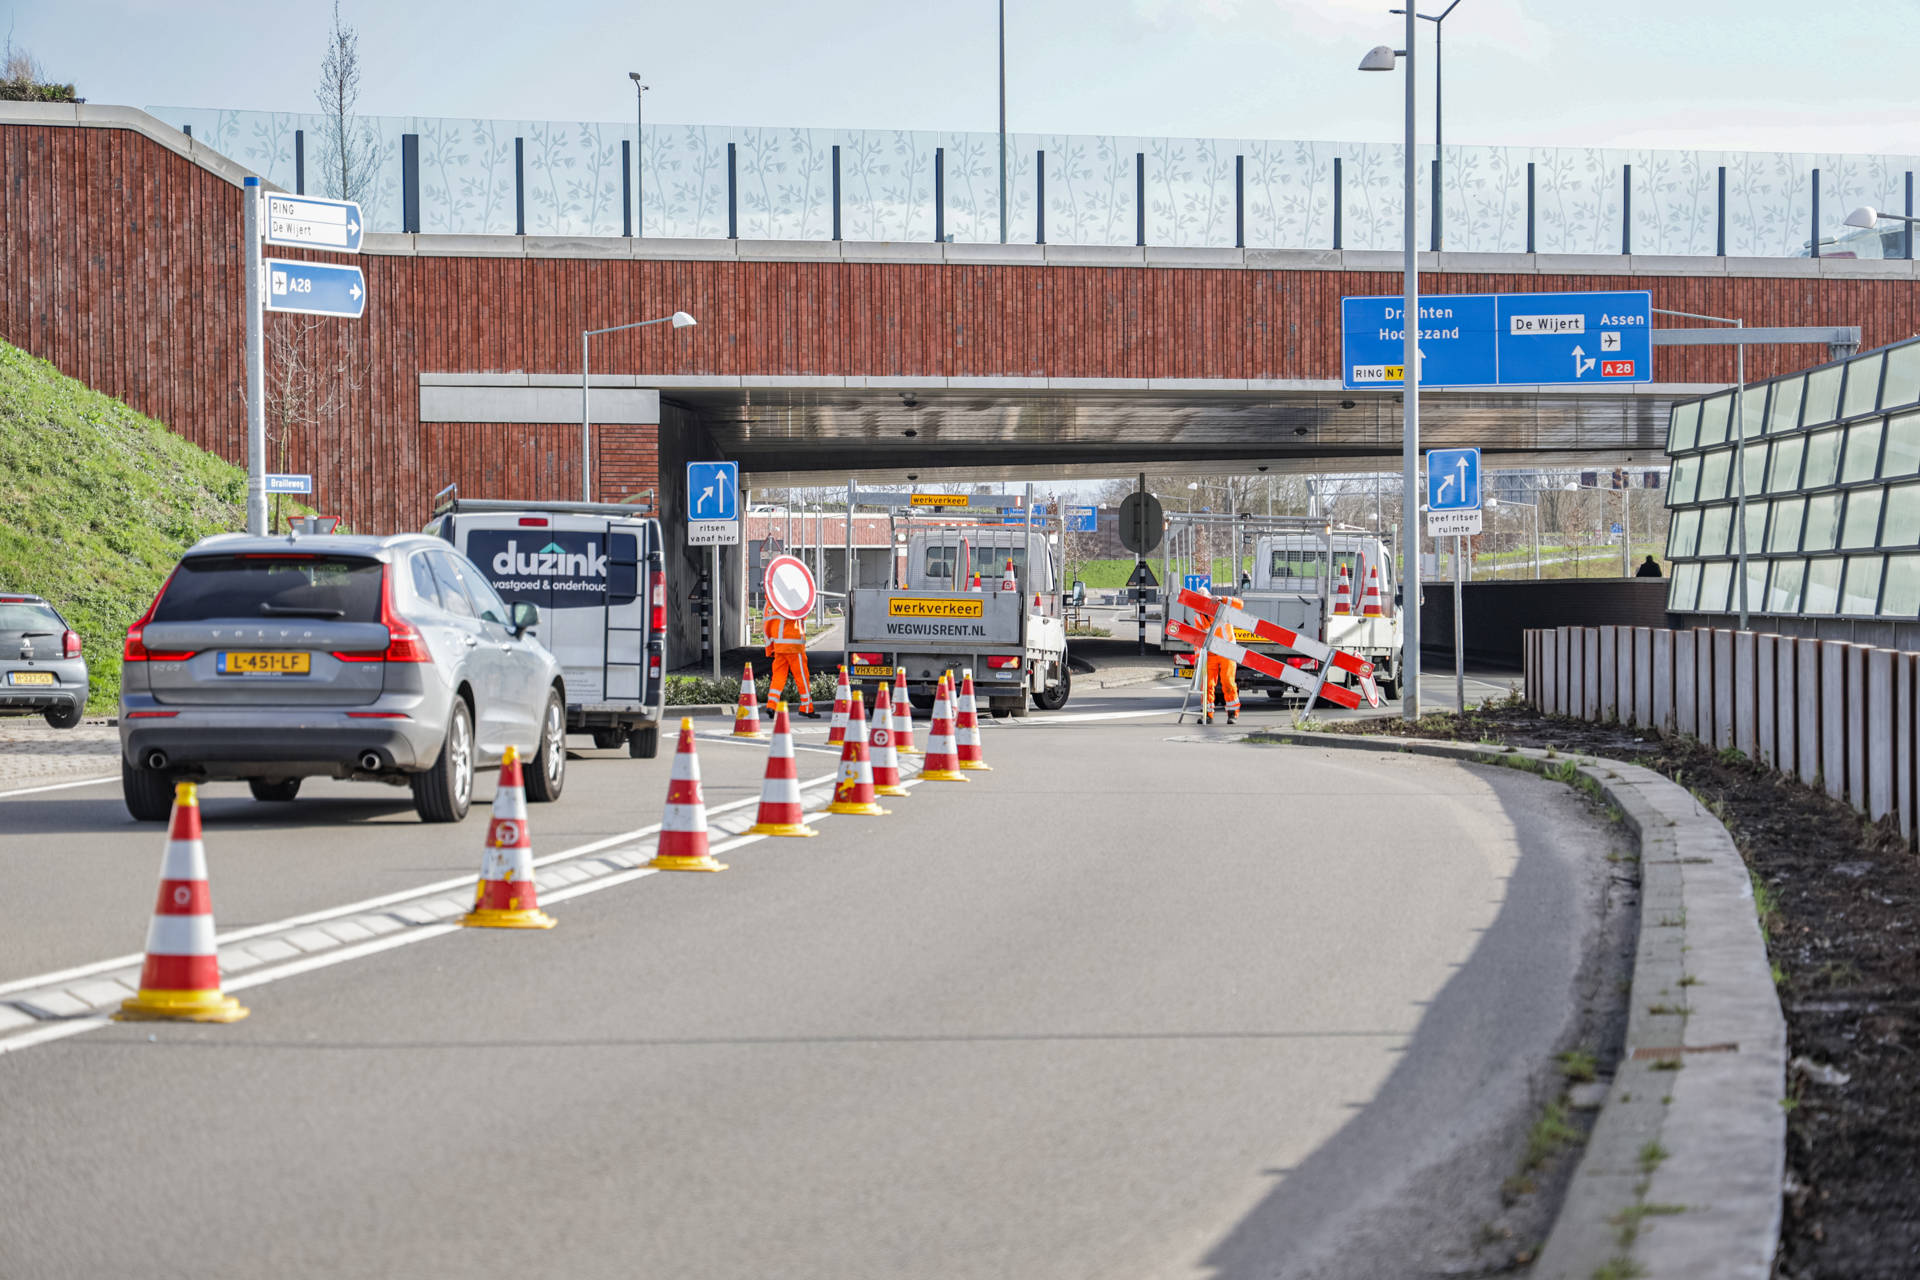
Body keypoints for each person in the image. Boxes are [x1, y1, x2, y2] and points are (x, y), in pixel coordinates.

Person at [764, 610, 819, 718]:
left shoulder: (771, 603)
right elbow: (804, 614)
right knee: (802, 678)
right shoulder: (795, 600)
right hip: (794, 645)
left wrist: (769, 647)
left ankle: (771, 705)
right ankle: (807, 708)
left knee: (778, 677)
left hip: (779, 646)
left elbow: (767, 625)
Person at [1205, 595, 1244, 726]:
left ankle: (1233, 714)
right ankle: (1207, 714)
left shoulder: (1223, 607)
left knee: (1227, 681)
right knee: (1207, 684)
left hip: (1227, 650)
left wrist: (1223, 598)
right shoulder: (1199, 615)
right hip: (1210, 652)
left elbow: (1240, 604)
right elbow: (1198, 638)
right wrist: (1199, 658)